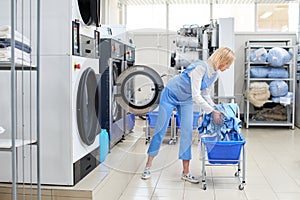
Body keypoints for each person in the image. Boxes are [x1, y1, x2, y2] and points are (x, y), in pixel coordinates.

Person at [141, 47, 236, 183]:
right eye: (228, 64)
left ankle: (186, 172)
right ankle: (147, 167)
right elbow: (196, 95)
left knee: (187, 132)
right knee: (160, 130)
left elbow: (205, 94)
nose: (228, 67)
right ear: (222, 60)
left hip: (185, 100)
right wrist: (212, 111)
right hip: (171, 95)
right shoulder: (200, 68)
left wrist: (215, 109)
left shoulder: (215, 74)